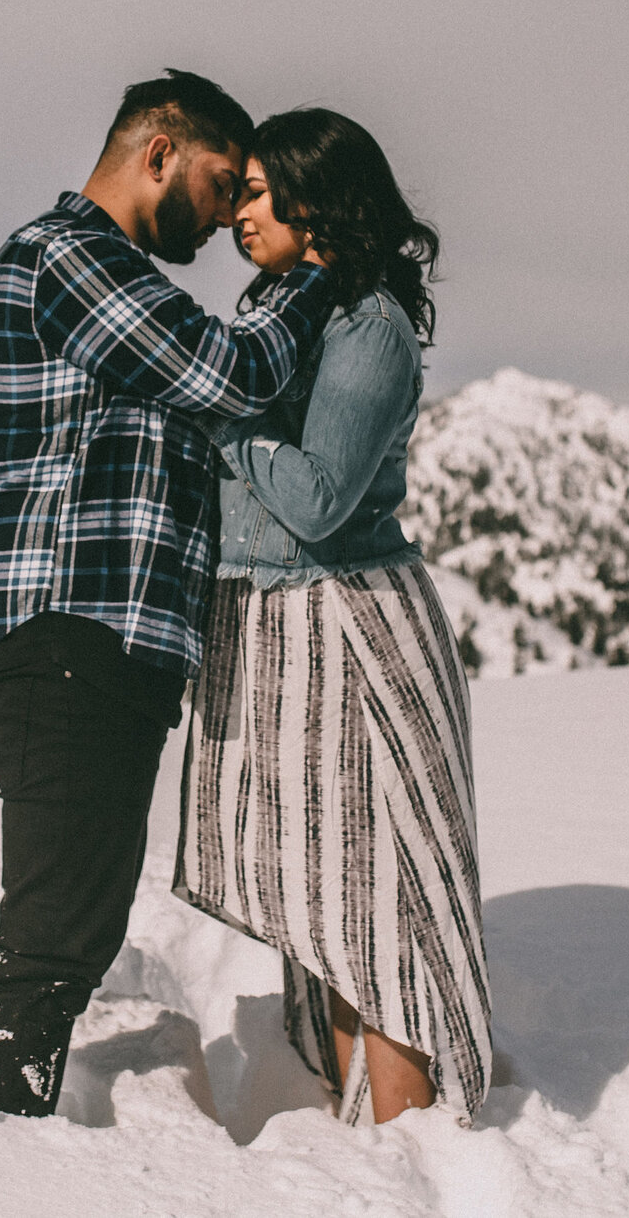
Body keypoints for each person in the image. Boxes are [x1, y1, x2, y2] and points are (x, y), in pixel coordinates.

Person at [0, 70, 336, 1119]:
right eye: (217, 184)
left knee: (74, 917)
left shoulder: (102, 274)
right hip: (67, 628)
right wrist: (320, 272)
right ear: (157, 150)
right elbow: (230, 372)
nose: (219, 217)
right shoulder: (68, 256)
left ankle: (0, 1122)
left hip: (101, 641)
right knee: (56, 929)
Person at [173, 108, 490, 1126]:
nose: (237, 213)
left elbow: (317, 498)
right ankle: (359, 1134)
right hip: (277, 622)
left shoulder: (368, 324)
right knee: (327, 891)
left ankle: (408, 1149)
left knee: (376, 895)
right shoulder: (290, 309)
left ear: (320, 205)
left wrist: (226, 417)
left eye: (260, 192)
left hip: (346, 625)